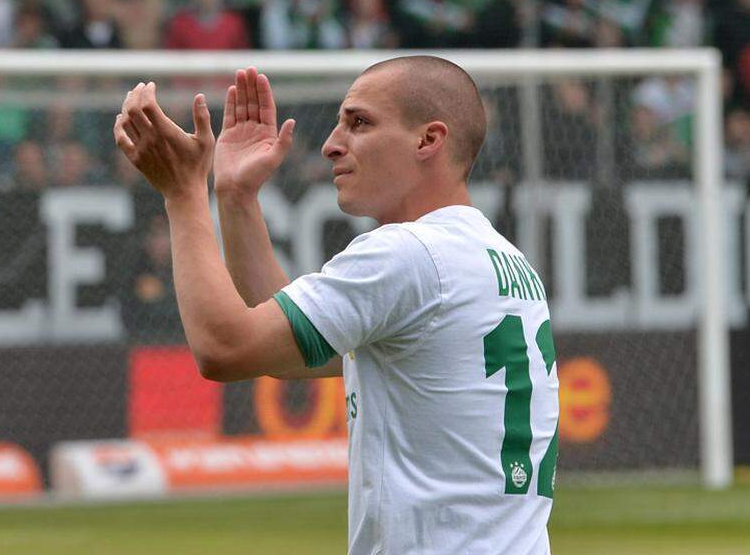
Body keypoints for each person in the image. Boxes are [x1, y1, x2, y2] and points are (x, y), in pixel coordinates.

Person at [113, 57, 558, 555]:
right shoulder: (504, 261)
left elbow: (226, 347)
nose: (330, 144)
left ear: (428, 141)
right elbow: (284, 348)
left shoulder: (408, 254)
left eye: (359, 122)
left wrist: (181, 192)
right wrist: (236, 195)